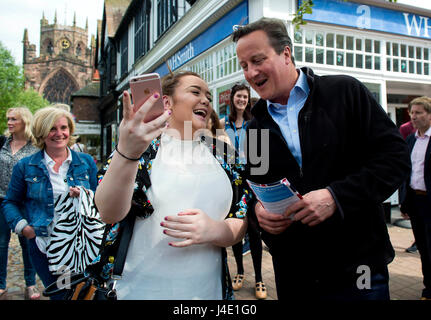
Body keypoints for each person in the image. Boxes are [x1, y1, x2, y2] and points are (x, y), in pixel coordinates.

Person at [233, 17, 410, 300]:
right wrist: (258, 214)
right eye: (244, 66)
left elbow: (395, 158)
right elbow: (254, 188)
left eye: (257, 60)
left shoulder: (344, 92)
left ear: (286, 54)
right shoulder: (254, 129)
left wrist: (335, 197)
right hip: (295, 275)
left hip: (360, 267)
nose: (251, 73)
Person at [94, 71, 250, 300]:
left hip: (210, 293)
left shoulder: (224, 155)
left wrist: (216, 230)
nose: (205, 99)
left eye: (208, 95)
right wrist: (127, 152)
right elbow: (108, 212)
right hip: (137, 291)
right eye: (195, 92)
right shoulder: (143, 150)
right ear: (166, 102)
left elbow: (240, 217)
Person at [2, 106, 98, 300]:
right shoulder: (26, 166)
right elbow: (10, 202)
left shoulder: (85, 162)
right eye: (52, 129)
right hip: (46, 245)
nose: (59, 133)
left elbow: (99, 199)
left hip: (81, 245)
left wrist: (84, 195)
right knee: (63, 295)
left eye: (63, 127)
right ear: (41, 132)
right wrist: (24, 228)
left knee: (82, 294)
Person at [221, 84, 267, 299]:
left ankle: (259, 278)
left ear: (249, 100)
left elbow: (261, 155)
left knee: (255, 230)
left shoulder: (255, 122)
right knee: (235, 228)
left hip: (252, 181)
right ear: (232, 98)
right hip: (232, 182)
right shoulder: (223, 123)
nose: (241, 100)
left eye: (245, 97)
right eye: (238, 96)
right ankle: (239, 272)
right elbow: (219, 150)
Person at [0, 107, 40, 300]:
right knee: (1, 244)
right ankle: (0, 284)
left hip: (26, 202)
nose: (9, 122)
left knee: (28, 243)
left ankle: (30, 284)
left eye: (13, 119)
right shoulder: (2, 143)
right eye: (8, 119)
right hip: (1, 199)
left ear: (24, 121)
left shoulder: (35, 147)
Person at [400, 96, 431, 300]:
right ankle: (428, 287)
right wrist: (405, 202)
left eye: (419, 112)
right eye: (412, 112)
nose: (413, 116)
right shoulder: (411, 139)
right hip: (417, 202)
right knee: (424, 248)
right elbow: (407, 172)